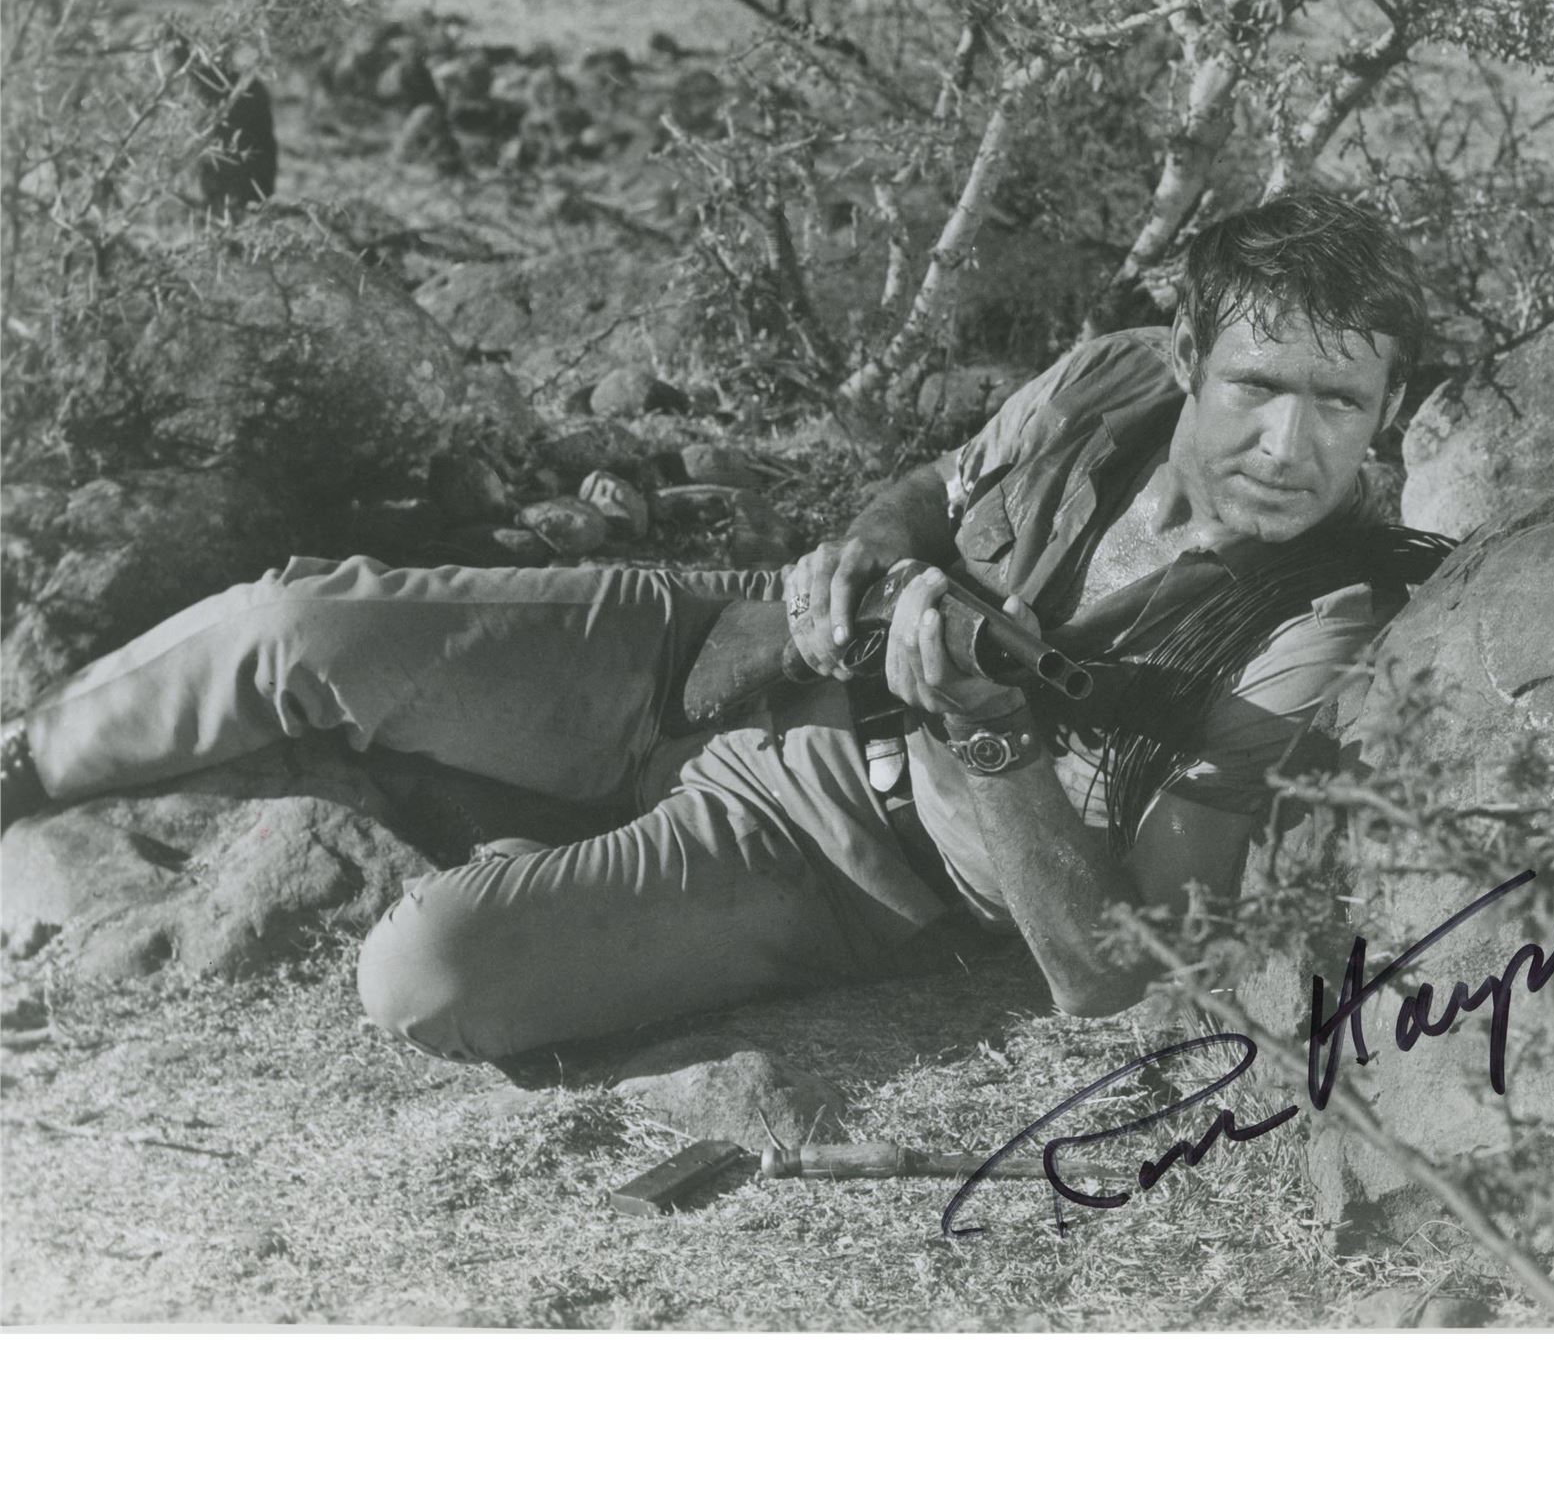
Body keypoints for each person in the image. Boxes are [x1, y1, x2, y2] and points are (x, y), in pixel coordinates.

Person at [0, 194, 1431, 1064]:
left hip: (833, 857)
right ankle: (27, 762)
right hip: (725, 647)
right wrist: (870, 553)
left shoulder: (1318, 623)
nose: (1288, 446)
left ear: (1386, 416)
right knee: (293, 625)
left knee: (424, 976)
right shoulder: (1110, 378)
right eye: (1257, 386)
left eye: (1340, 405)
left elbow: (1124, 971)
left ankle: (510, 824)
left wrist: (992, 734)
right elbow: (935, 492)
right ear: (1188, 358)